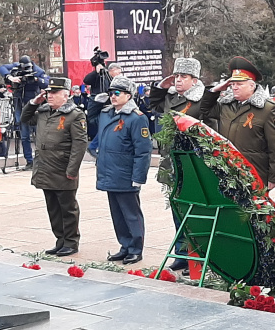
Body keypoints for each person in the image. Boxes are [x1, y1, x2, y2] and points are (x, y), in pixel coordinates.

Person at [149, 57, 216, 272]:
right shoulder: (170, 98)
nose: (178, 80)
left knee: (195, 213)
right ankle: (182, 253)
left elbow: (210, 126)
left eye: (183, 77)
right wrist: (161, 85)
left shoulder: (201, 100)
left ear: (194, 80)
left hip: (192, 163)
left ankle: (197, 257)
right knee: (177, 210)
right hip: (171, 162)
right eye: (176, 76)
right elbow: (153, 104)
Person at [20, 77, 87, 257]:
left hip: (62, 168)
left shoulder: (75, 115)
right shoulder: (43, 111)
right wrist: (34, 101)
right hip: (45, 168)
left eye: (54, 93)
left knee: (68, 208)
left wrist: (72, 170)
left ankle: (71, 242)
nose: (50, 95)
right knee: (53, 207)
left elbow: (79, 145)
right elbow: (24, 118)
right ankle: (60, 240)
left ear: (66, 95)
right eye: (48, 92)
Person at [201, 56, 275, 189]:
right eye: (232, 84)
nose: (234, 88)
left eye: (239, 84)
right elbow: (204, 110)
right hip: (227, 170)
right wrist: (215, 90)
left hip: (253, 173)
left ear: (252, 85)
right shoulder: (226, 105)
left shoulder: (267, 108)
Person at [96, 76, 152, 265]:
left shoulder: (136, 118)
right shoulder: (106, 114)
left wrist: (139, 177)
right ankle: (125, 246)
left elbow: (143, 150)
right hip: (109, 172)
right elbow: (90, 117)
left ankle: (136, 248)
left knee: (131, 213)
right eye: (111, 92)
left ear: (128, 96)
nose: (113, 96)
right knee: (117, 215)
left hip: (126, 174)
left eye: (117, 93)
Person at [0, 55, 49, 170]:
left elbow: (47, 82)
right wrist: (10, 77)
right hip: (19, 104)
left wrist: (35, 79)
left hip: (34, 106)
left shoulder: (38, 71)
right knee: (24, 135)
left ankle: (42, 160)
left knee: (39, 134)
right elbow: (1, 68)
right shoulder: (16, 67)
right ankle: (29, 161)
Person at [84, 62, 122, 154]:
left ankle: (95, 146)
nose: (119, 75)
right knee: (105, 126)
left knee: (109, 126)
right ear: (111, 71)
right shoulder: (99, 77)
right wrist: (96, 72)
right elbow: (86, 80)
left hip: (110, 108)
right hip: (97, 107)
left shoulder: (117, 81)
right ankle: (94, 145)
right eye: (118, 73)